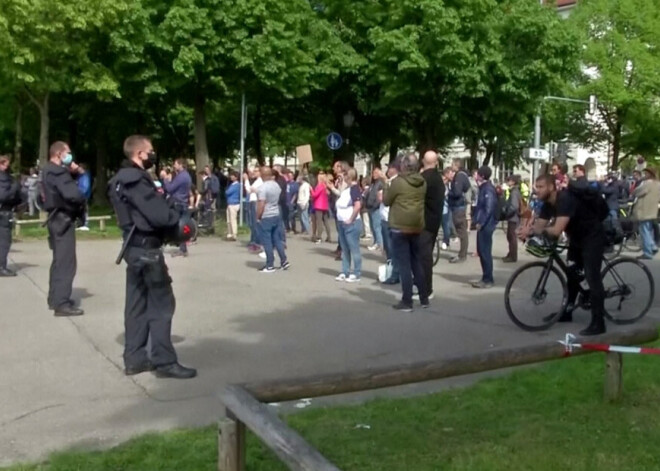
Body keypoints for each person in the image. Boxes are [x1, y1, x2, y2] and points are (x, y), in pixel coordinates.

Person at [108, 135, 196, 379]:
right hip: (146, 249)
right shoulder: (135, 180)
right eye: (150, 152)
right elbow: (158, 215)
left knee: (136, 303)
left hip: (133, 247)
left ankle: (135, 358)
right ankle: (164, 360)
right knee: (162, 304)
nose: (152, 156)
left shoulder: (118, 180)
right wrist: (174, 215)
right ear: (139, 154)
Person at [524, 174, 607, 336]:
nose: (537, 190)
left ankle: (599, 322)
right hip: (576, 238)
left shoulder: (565, 199)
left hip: (592, 237)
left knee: (592, 277)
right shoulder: (547, 204)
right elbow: (540, 226)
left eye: (540, 186)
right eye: (536, 186)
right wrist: (528, 232)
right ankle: (567, 312)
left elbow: (555, 231)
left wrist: (534, 230)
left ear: (551, 187)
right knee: (572, 275)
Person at [42, 141, 85, 316]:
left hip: (54, 218)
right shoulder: (59, 172)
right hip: (63, 219)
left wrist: (72, 173)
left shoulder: (48, 170)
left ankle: (54, 297)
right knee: (66, 262)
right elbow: (72, 194)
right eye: (67, 152)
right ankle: (62, 303)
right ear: (59, 154)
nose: (70, 156)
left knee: (58, 260)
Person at [384, 153, 428, 311]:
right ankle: (424, 298)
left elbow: (386, 201)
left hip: (400, 227)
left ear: (403, 166)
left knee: (404, 265)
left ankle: (407, 301)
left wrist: (385, 185)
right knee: (416, 262)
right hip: (416, 225)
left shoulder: (398, 183)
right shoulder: (422, 182)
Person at [419, 151, 445, 299]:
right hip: (434, 221)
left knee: (423, 258)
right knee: (425, 256)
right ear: (436, 162)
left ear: (423, 161)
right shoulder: (438, 178)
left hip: (424, 223)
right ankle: (425, 288)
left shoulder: (424, 179)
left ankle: (426, 290)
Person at [256, 167, 289, 273]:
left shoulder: (262, 188)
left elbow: (261, 203)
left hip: (266, 215)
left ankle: (270, 265)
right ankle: (284, 261)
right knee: (277, 239)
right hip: (276, 213)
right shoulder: (276, 185)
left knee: (267, 241)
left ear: (262, 175)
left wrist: (258, 216)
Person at [471, 166, 498, 289]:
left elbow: (488, 208)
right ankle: (486, 277)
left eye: (477, 174)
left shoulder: (487, 189)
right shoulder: (484, 188)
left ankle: (488, 279)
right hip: (485, 224)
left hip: (486, 225)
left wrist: (481, 222)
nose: (475, 176)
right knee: (482, 251)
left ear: (482, 175)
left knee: (485, 251)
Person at [335, 167, 363, 282]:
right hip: (342, 222)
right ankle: (345, 271)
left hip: (351, 223)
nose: (343, 177)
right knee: (345, 249)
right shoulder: (347, 189)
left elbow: (358, 205)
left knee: (353, 248)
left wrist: (351, 219)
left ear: (349, 176)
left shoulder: (354, 189)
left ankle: (356, 273)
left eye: (345, 175)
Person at [161, 158, 192, 257]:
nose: (174, 166)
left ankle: (162, 243)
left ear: (180, 165)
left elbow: (170, 189)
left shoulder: (181, 176)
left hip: (177, 203)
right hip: (183, 202)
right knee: (181, 226)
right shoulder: (186, 176)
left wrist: (165, 179)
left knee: (171, 223)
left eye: (175, 164)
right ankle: (182, 249)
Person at [0, 155, 21, 277]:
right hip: (4, 212)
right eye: (6, 165)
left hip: (5, 210)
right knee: (4, 240)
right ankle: (1, 266)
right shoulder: (5, 179)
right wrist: (15, 187)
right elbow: (4, 195)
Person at [633, 168, 660, 260]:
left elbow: (637, 192)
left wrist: (634, 190)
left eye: (646, 173)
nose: (644, 175)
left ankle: (648, 252)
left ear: (649, 174)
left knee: (644, 231)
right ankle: (653, 246)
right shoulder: (658, 184)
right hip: (652, 210)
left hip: (644, 210)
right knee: (648, 230)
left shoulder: (647, 183)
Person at [447, 158, 470, 263]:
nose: (451, 166)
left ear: (456, 165)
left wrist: (448, 193)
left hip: (458, 207)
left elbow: (457, 192)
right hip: (459, 206)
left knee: (461, 230)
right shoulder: (463, 175)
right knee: (462, 230)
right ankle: (462, 253)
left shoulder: (459, 176)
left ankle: (462, 255)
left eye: (452, 164)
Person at [502, 175, 523, 263]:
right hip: (514, 217)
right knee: (510, 236)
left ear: (513, 182)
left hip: (513, 218)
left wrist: (507, 213)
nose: (507, 182)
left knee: (512, 237)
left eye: (509, 180)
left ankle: (513, 256)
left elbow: (514, 206)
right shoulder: (515, 191)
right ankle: (511, 254)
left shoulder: (514, 192)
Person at [364, 167, 384, 252]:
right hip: (370, 207)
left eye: (376, 173)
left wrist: (375, 205)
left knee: (377, 227)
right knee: (373, 227)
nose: (374, 174)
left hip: (375, 208)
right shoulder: (373, 183)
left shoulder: (380, 184)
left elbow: (379, 197)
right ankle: (376, 242)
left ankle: (380, 244)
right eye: (373, 173)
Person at [311, 171, 331, 243]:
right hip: (325, 206)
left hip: (319, 206)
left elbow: (314, 195)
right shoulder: (325, 186)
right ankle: (329, 236)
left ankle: (319, 237)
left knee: (319, 222)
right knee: (326, 221)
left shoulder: (320, 186)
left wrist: (311, 189)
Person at [76, 163, 92, 231]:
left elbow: (85, 187)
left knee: (84, 210)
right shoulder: (80, 176)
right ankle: (81, 224)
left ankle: (85, 224)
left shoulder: (85, 176)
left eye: (79, 168)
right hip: (81, 195)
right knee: (81, 210)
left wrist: (80, 193)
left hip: (83, 196)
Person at [440, 167, 453, 250]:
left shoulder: (450, 182)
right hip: (442, 208)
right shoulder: (441, 182)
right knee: (445, 225)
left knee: (447, 225)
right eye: (451, 173)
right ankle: (445, 241)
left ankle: (446, 241)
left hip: (447, 207)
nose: (452, 175)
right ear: (446, 174)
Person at [225, 171, 241, 241]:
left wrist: (227, 190)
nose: (231, 177)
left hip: (233, 204)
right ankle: (230, 233)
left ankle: (234, 234)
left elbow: (228, 192)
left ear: (236, 177)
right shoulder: (232, 184)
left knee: (232, 219)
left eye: (232, 176)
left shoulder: (237, 185)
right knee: (229, 220)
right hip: (230, 203)